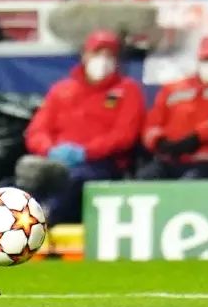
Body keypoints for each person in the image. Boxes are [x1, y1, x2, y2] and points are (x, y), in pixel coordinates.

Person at [19, 29, 146, 224]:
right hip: (56, 159)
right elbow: (37, 130)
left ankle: (44, 219)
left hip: (102, 163)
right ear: (85, 55)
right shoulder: (62, 90)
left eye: (109, 55)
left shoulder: (128, 90)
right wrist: (50, 149)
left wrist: (85, 152)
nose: (102, 60)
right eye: (97, 54)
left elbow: (124, 135)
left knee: (75, 178)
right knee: (29, 172)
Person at [139, 36, 208, 180]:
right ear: (199, 61)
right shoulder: (173, 89)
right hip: (170, 158)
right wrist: (159, 142)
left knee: (190, 184)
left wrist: (197, 137)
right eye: (207, 60)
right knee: (145, 179)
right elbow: (152, 123)